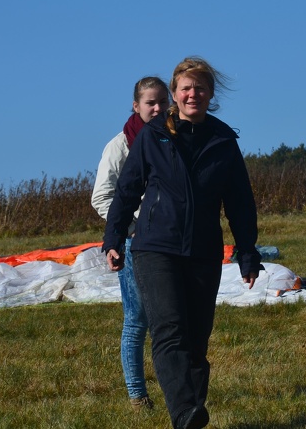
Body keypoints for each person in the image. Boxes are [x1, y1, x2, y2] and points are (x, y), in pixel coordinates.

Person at [103, 56, 262, 429]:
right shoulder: (153, 136)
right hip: (155, 246)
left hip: (203, 250)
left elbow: (240, 203)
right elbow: (127, 190)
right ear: (175, 93)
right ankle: (185, 413)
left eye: (200, 88)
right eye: (186, 88)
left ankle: (190, 409)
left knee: (196, 339)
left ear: (210, 94)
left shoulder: (224, 141)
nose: (193, 94)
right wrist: (113, 237)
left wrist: (247, 253)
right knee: (169, 330)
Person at [91, 76, 170, 411]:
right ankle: (137, 394)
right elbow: (102, 197)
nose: (157, 108)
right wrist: (133, 224)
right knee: (137, 318)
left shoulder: (174, 139)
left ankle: (177, 391)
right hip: (135, 242)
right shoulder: (120, 145)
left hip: (169, 240)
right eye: (150, 102)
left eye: (162, 102)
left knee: (169, 319)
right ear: (136, 106)